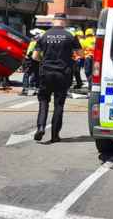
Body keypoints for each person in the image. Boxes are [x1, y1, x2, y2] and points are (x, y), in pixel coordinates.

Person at [31, 13, 82, 143]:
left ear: (54, 21)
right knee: (59, 105)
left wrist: (45, 60)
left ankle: (41, 127)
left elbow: (35, 57)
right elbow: (80, 54)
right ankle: (55, 135)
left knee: (43, 101)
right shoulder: (70, 36)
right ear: (64, 22)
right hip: (63, 74)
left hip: (46, 72)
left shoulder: (44, 36)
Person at [21, 29, 42, 96]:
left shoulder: (33, 42)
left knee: (26, 75)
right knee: (37, 75)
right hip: (38, 61)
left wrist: (26, 59)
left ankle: (25, 90)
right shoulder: (42, 43)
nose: (31, 36)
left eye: (33, 35)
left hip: (30, 61)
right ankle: (37, 90)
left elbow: (29, 53)